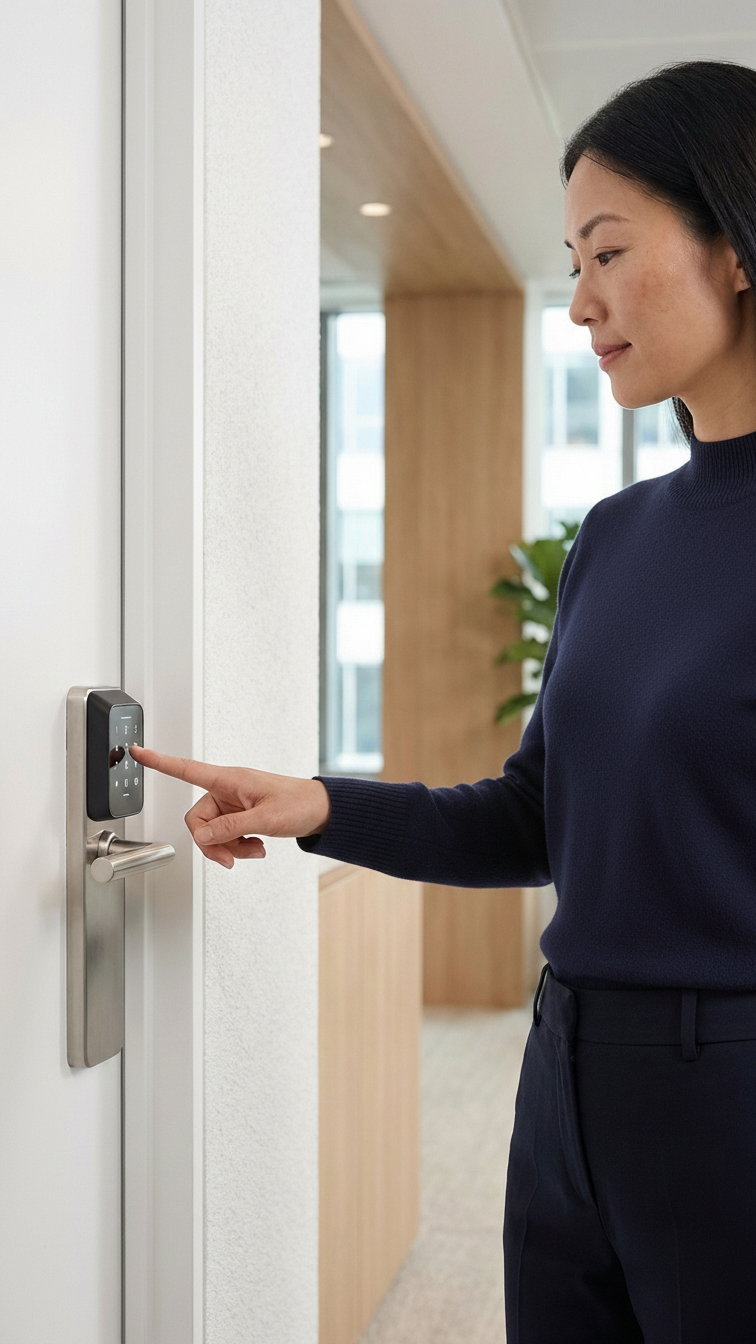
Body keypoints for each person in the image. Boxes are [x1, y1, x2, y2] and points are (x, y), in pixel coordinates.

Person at [131, 60, 756, 1343]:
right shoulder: (617, 537)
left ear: (736, 245)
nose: (580, 302)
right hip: (565, 1075)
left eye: (609, 252)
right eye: (569, 262)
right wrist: (315, 805)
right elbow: (535, 819)